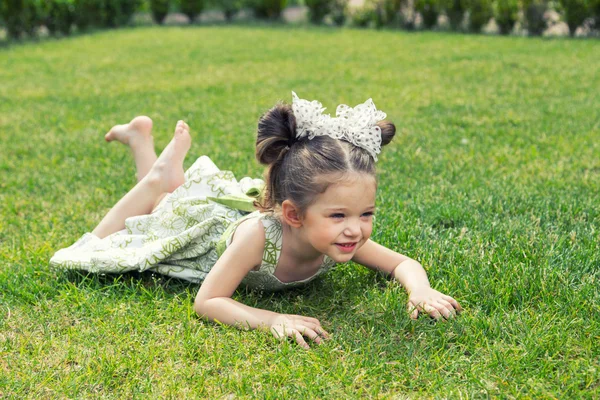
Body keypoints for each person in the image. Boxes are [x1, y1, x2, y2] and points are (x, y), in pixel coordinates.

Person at [51, 92, 462, 349]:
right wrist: (272, 320)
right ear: (293, 215)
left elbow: (402, 264)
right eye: (339, 215)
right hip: (205, 229)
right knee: (127, 229)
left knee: (168, 194)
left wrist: (420, 291)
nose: (355, 228)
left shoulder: (340, 239)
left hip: (240, 212)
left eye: (366, 214)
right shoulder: (257, 239)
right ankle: (156, 171)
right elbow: (208, 301)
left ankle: (142, 141)